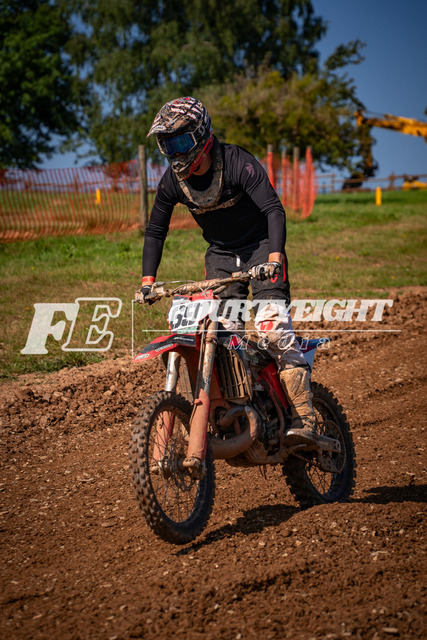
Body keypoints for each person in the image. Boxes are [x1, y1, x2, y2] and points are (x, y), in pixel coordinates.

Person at [136, 96, 316, 446]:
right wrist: (148, 282)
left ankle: (305, 417)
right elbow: (156, 230)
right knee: (219, 337)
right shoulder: (172, 182)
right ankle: (239, 409)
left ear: (201, 135)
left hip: (262, 247)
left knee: (273, 330)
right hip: (220, 255)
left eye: (180, 141)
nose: (175, 152)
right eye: (167, 144)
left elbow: (273, 209)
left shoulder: (237, 163)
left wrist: (274, 257)